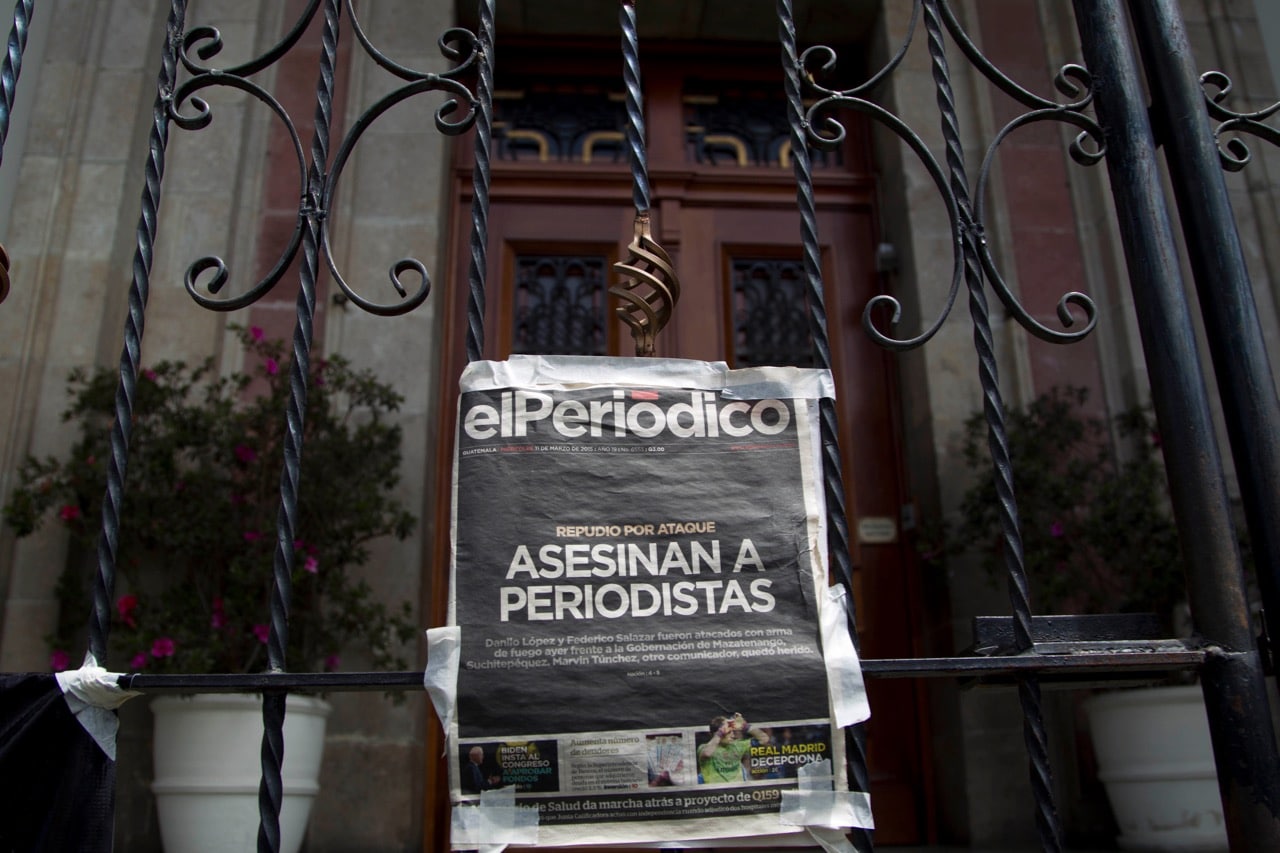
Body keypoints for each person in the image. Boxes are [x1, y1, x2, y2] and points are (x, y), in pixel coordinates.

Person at [697, 712, 769, 784]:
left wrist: (745, 726)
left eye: (732, 731)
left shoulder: (737, 745)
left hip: (739, 792)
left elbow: (764, 739)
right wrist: (720, 733)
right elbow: (707, 753)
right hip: (717, 793)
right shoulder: (703, 747)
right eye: (729, 732)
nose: (733, 735)